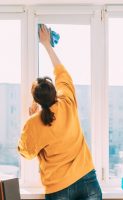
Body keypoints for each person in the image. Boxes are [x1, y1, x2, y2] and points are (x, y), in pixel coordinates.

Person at [18, 24, 102, 200]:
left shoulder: (33, 122)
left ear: (37, 101)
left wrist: (32, 117)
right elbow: (61, 72)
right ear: (54, 92)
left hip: (58, 189)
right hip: (87, 179)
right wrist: (47, 45)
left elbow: (25, 152)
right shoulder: (67, 101)